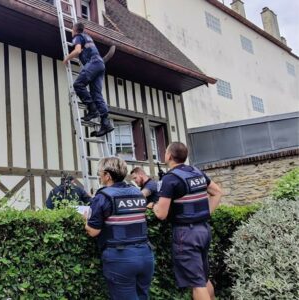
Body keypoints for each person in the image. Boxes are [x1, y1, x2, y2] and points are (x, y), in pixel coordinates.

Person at [152, 142, 222, 300]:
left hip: (186, 234)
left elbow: (161, 214)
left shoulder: (170, 179)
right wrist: (204, 213)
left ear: (169, 156)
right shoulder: (196, 172)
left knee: (197, 284)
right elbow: (217, 192)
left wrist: (153, 206)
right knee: (203, 278)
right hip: (203, 229)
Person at [84, 157, 154, 299]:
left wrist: (86, 219)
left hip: (120, 258)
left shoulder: (103, 196)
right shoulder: (137, 193)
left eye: (100, 173)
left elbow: (93, 231)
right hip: (146, 255)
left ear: (107, 176)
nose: (99, 176)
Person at [62, 22, 114, 137]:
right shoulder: (87, 36)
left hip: (94, 63)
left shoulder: (77, 37)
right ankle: (106, 123)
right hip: (100, 64)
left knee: (78, 85)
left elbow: (77, 51)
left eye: (72, 30)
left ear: (74, 30)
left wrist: (66, 59)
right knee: (96, 94)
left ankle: (92, 108)